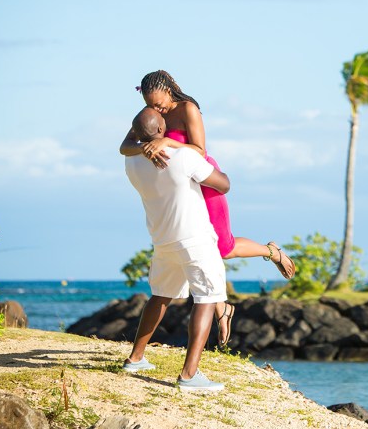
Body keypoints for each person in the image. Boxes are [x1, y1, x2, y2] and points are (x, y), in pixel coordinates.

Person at [120, 70, 295, 345]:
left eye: (160, 103)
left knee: (221, 248)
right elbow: (125, 146)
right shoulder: (150, 116)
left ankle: (271, 251)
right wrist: (146, 148)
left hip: (204, 177)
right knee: (204, 251)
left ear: (169, 89)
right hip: (179, 183)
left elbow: (199, 150)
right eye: (151, 105)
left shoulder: (188, 109)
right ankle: (222, 308)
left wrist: (165, 141)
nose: (158, 109)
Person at [123, 107, 229, 392]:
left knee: (160, 296)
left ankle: (136, 358)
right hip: (194, 239)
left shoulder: (131, 163)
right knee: (207, 298)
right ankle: (189, 375)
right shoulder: (183, 157)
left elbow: (131, 144)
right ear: (162, 132)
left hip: (163, 240)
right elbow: (223, 184)